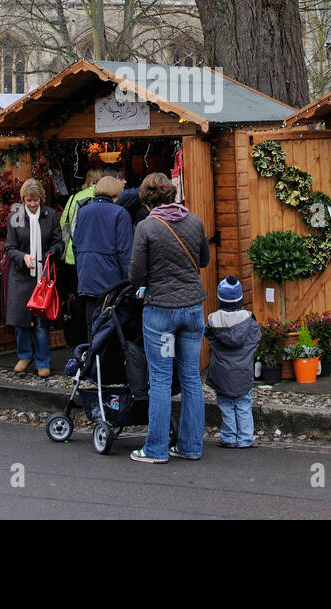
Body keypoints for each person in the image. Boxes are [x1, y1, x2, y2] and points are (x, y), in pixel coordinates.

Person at [128, 172, 210, 464]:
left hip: (161, 312)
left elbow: (135, 274)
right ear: (172, 195)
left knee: (160, 380)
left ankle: (156, 449)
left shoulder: (147, 226)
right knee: (190, 377)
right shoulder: (195, 221)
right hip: (192, 311)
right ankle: (190, 447)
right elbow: (203, 260)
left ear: (148, 200)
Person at [3, 178, 64, 377]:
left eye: (35, 200)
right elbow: (9, 248)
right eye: (28, 200)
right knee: (20, 320)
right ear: (22, 199)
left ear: (41, 199)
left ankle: (43, 360)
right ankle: (24, 354)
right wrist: (23, 257)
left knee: (41, 322)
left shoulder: (51, 215)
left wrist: (51, 252)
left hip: (43, 275)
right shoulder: (15, 218)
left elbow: (59, 243)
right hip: (21, 275)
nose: (32, 204)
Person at [71, 175, 133, 337]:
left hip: (87, 278)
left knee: (93, 328)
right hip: (111, 280)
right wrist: (129, 283)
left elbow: (75, 244)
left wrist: (81, 272)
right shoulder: (120, 213)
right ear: (116, 194)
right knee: (112, 330)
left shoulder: (83, 211)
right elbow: (124, 251)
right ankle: (110, 362)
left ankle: (93, 360)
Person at [205, 275, 261, 449]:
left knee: (226, 404)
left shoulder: (213, 320)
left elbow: (209, 338)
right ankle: (245, 438)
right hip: (243, 369)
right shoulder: (249, 319)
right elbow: (256, 339)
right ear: (240, 299)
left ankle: (229, 437)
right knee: (243, 404)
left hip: (221, 371)